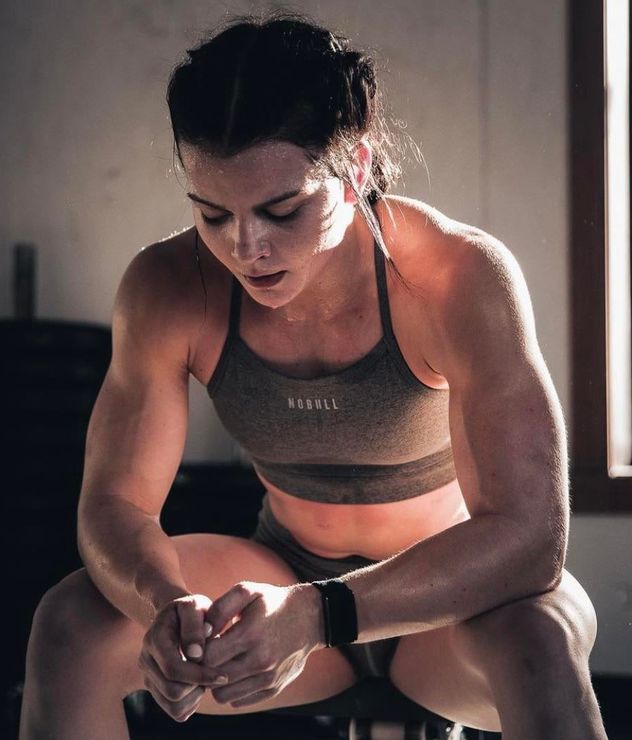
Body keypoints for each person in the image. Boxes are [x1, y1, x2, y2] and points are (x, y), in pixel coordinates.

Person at [20, 11, 607, 740]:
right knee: (71, 624)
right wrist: (163, 602)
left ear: (355, 166)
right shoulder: (168, 286)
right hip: (282, 572)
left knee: (541, 644)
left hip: (447, 604)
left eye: (282, 209)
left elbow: (530, 538)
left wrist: (321, 612)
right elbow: (114, 505)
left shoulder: (457, 276)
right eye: (211, 214)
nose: (246, 247)